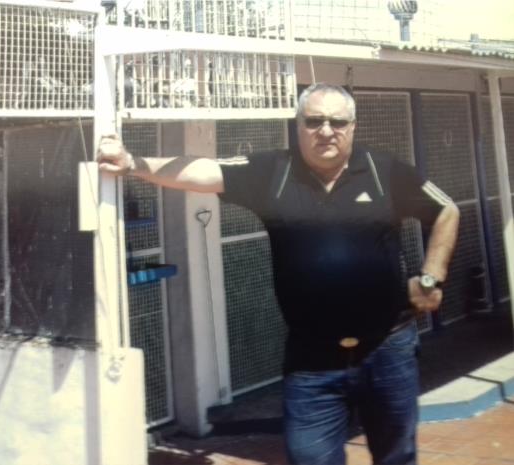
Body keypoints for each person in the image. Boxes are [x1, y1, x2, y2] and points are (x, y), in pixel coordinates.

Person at [97, 83, 460, 465]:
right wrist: (133, 163)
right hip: (311, 360)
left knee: (396, 458)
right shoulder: (273, 172)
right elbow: (202, 170)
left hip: (387, 349)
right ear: (298, 125)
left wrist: (431, 277)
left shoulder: (384, 170)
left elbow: (446, 210)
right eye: (314, 121)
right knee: (309, 459)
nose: (326, 130)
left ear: (352, 126)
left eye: (337, 122)